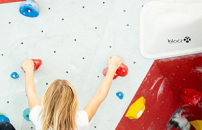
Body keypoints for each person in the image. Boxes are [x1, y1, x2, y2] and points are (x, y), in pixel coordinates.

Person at [21, 56, 122, 130]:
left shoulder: (38, 116)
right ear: (73, 103)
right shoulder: (78, 122)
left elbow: (31, 93)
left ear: (46, 99)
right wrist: (112, 67)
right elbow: (99, 95)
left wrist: (29, 69)